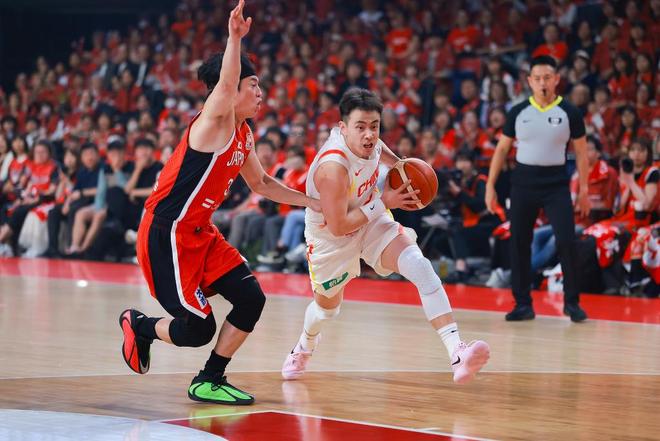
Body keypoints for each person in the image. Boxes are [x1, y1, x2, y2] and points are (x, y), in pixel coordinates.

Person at [118, 0, 319, 406]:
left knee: (251, 298)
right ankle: (140, 326)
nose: (260, 93)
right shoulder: (214, 121)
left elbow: (262, 184)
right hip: (167, 234)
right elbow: (225, 88)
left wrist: (313, 202)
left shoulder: (244, 133)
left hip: (201, 233)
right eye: (253, 85)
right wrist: (234, 38)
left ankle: (209, 379)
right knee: (198, 328)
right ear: (231, 89)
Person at [281, 88, 490, 385]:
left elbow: (393, 160)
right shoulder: (333, 168)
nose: (369, 134)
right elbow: (339, 226)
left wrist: (409, 172)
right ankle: (304, 346)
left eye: (375, 126)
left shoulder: (373, 142)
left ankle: (457, 352)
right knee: (327, 310)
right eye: (360, 127)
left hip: (370, 220)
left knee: (421, 267)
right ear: (343, 128)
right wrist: (385, 202)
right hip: (332, 237)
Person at [485, 55, 591, 323]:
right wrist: (490, 185)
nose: (543, 82)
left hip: (556, 183)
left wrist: (584, 190)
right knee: (519, 241)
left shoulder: (569, 112)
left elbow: (581, 153)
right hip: (523, 182)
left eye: (547, 77)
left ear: (556, 80)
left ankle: (572, 303)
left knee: (566, 240)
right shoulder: (518, 111)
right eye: (538, 78)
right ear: (529, 81)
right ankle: (522, 304)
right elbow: (502, 150)